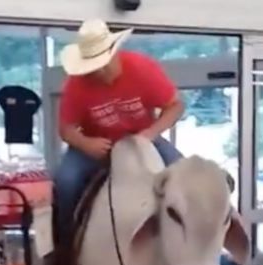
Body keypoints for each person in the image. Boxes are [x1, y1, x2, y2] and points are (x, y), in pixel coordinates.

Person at [55, 19, 185, 244]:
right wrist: (86, 143)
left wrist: (149, 134)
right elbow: (65, 129)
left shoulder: (143, 69)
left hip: (142, 138)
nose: (100, 72)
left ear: (114, 52)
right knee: (66, 181)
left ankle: (186, 240)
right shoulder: (76, 84)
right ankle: (65, 246)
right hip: (96, 145)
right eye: (93, 67)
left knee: (183, 174)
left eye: (103, 63)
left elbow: (175, 106)